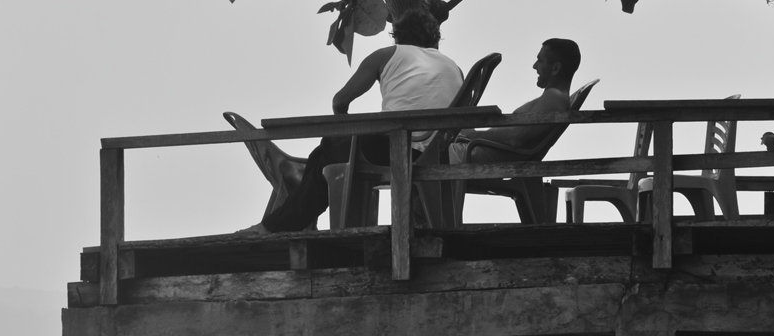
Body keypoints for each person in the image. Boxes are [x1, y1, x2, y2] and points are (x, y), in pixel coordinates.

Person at [243, 9, 463, 233]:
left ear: (398, 35)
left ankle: (280, 222)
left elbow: (340, 101)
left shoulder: (387, 55)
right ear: (435, 38)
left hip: (398, 148)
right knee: (332, 153)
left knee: (330, 149)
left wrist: (343, 127)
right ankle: (292, 213)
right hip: (437, 154)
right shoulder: (455, 68)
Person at [450, 39, 581, 164]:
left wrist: (470, 135)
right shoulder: (554, 98)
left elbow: (515, 137)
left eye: (540, 61)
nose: (534, 66)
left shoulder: (555, 97)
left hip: (470, 155)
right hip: (472, 151)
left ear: (555, 68)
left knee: (437, 145)